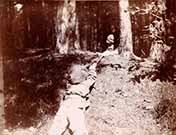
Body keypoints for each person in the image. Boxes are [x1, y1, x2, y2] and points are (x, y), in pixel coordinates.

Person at [48, 56, 102, 135]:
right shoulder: (85, 85)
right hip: (75, 107)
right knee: (78, 129)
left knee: (56, 129)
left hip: (65, 106)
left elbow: (71, 75)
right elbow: (92, 77)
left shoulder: (69, 85)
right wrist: (92, 68)